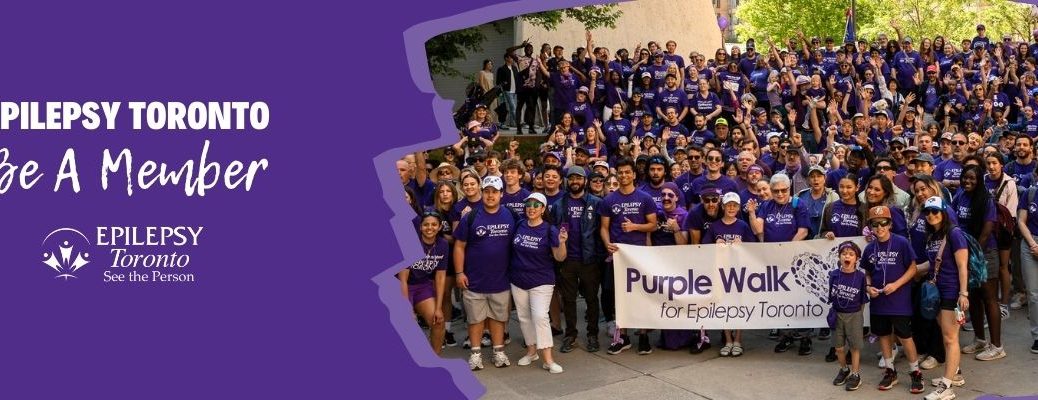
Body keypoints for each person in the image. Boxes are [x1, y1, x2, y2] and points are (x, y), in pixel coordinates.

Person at [454, 176, 517, 371]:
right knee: (475, 319)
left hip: (501, 278)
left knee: (499, 318)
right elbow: (459, 246)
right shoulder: (470, 217)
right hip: (474, 279)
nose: (490, 195)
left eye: (494, 192)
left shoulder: (511, 215)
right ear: (482, 192)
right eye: (487, 191)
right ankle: (475, 354)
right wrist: (459, 272)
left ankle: (498, 351)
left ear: (501, 194)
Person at [860, 205, 924, 393]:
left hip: (899, 301)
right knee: (883, 335)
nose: (879, 228)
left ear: (890, 224)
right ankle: (890, 371)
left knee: (905, 336)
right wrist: (868, 286)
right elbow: (867, 272)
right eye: (875, 224)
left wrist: (896, 285)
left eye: (883, 223)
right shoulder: (870, 248)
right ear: (870, 226)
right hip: (879, 301)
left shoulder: (901, 242)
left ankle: (915, 372)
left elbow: (913, 268)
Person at [601, 157, 658, 355]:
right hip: (619, 256)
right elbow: (604, 227)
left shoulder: (645, 198)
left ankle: (643, 335)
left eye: (627, 172)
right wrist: (607, 243)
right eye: (621, 172)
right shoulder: (609, 200)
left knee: (642, 295)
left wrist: (635, 226)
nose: (624, 175)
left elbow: (653, 224)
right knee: (620, 297)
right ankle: (622, 337)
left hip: (640, 254)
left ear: (634, 174)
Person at [510, 192, 568, 374]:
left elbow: (560, 257)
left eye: (536, 205)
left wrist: (562, 243)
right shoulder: (519, 225)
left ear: (543, 209)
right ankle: (531, 351)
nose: (531, 208)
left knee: (540, 317)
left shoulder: (549, 229)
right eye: (528, 205)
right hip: (518, 280)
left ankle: (548, 359)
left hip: (541, 280)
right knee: (524, 317)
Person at [549, 166, 604, 354]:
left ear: (585, 181)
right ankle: (570, 335)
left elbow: (600, 231)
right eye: (571, 178)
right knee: (569, 300)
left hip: (589, 260)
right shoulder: (558, 205)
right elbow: (553, 231)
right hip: (567, 260)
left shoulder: (596, 203)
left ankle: (592, 335)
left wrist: (599, 256)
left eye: (578, 178)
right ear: (567, 181)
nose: (575, 181)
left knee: (591, 299)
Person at [952, 165, 1005, 361]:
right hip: (964, 252)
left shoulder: (986, 199)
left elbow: (987, 230)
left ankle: (997, 346)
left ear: (979, 180)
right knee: (972, 297)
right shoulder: (960, 195)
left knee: (988, 297)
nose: (968, 181)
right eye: (965, 178)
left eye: (972, 178)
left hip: (983, 253)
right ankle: (980, 339)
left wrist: (972, 255)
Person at [921, 196, 971, 400]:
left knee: (950, 338)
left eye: (935, 211)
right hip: (937, 291)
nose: (931, 215)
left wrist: (963, 293)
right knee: (947, 335)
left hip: (952, 292)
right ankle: (955, 374)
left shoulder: (955, 233)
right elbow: (932, 265)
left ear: (944, 213)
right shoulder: (933, 235)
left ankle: (947, 386)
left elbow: (962, 266)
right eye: (928, 212)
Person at [704, 192, 756, 357]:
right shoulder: (715, 226)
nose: (731, 208)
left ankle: (738, 340)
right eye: (728, 205)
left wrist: (743, 245)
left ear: (738, 207)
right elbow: (703, 248)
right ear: (723, 206)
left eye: (734, 205)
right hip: (720, 271)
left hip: (739, 271)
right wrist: (715, 244)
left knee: (739, 304)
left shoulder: (743, 226)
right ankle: (727, 339)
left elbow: (754, 248)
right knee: (723, 304)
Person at [401, 211, 449, 354]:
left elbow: (440, 277)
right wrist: (406, 308)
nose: (430, 228)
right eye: (426, 224)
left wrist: (439, 308)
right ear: (420, 227)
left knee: (438, 322)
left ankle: (435, 360)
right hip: (403, 286)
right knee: (405, 324)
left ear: (440, 227)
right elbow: (402, 279)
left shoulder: (443, 244)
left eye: (434, 224)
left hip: (422, 286)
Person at [829, 241, 868, 391]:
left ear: (856, 259)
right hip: (838, 314)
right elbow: (831, 295)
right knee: (838, 347)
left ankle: (855, 374)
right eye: (844, 254)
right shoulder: (834, 275)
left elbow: (863, 299)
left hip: (854, 315)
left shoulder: (860, 277)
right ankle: (844, 369)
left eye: (851, 254)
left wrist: (858, 316)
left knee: (854, 347)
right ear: (839, 257)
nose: (847, 256)